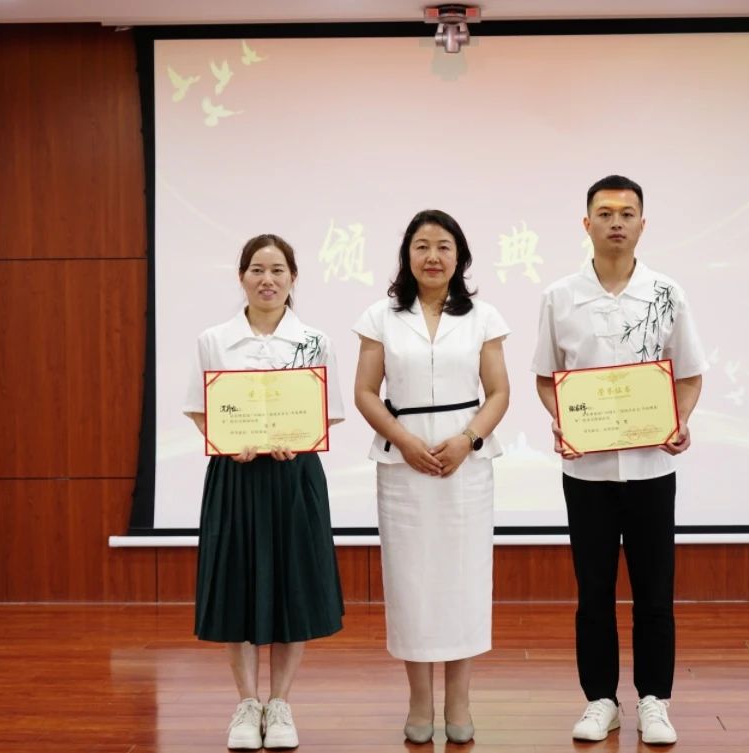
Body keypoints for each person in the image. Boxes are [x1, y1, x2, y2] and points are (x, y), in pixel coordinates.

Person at [531, 176, 707, 745]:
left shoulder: (667, 293)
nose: (616, 222)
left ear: (642, 224)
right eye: (604, 213)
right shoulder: (559, 296)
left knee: (655, 592)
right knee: (594, 592)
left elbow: (689, 373)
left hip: (652, 469)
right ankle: (600, 700)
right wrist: (562, 418)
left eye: (627, 213)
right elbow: (545, 377)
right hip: (587, 472)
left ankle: (655, 700)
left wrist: (679, 421)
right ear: (586, 224)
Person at [352, 210, 510, 745]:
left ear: (459, 256)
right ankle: (419, 701)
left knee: (463, 582)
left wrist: (468, 440)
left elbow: (499, 393)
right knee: (411, 584)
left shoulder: (484, 316)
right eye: (421, 246)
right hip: (404, 466)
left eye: (444, 246)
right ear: (407, 256)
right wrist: (404, 440)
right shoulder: (380, 316)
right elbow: (366, 392)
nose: (433, 256)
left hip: (467, 465)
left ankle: (459, 702)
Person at [183, 234, 346, 751]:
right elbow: (200, 408)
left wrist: (294, 439)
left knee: (292, 587)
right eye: (257, 270)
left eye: (278, 270)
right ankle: (246, 703)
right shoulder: (214, 339)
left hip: (295, 476)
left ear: (293, 278)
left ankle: (280, 704)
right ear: (241, 277)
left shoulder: (315, 340)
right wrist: (230, 442)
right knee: (236, 586)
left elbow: (328, 413)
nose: (267, 280)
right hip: (234, 477)